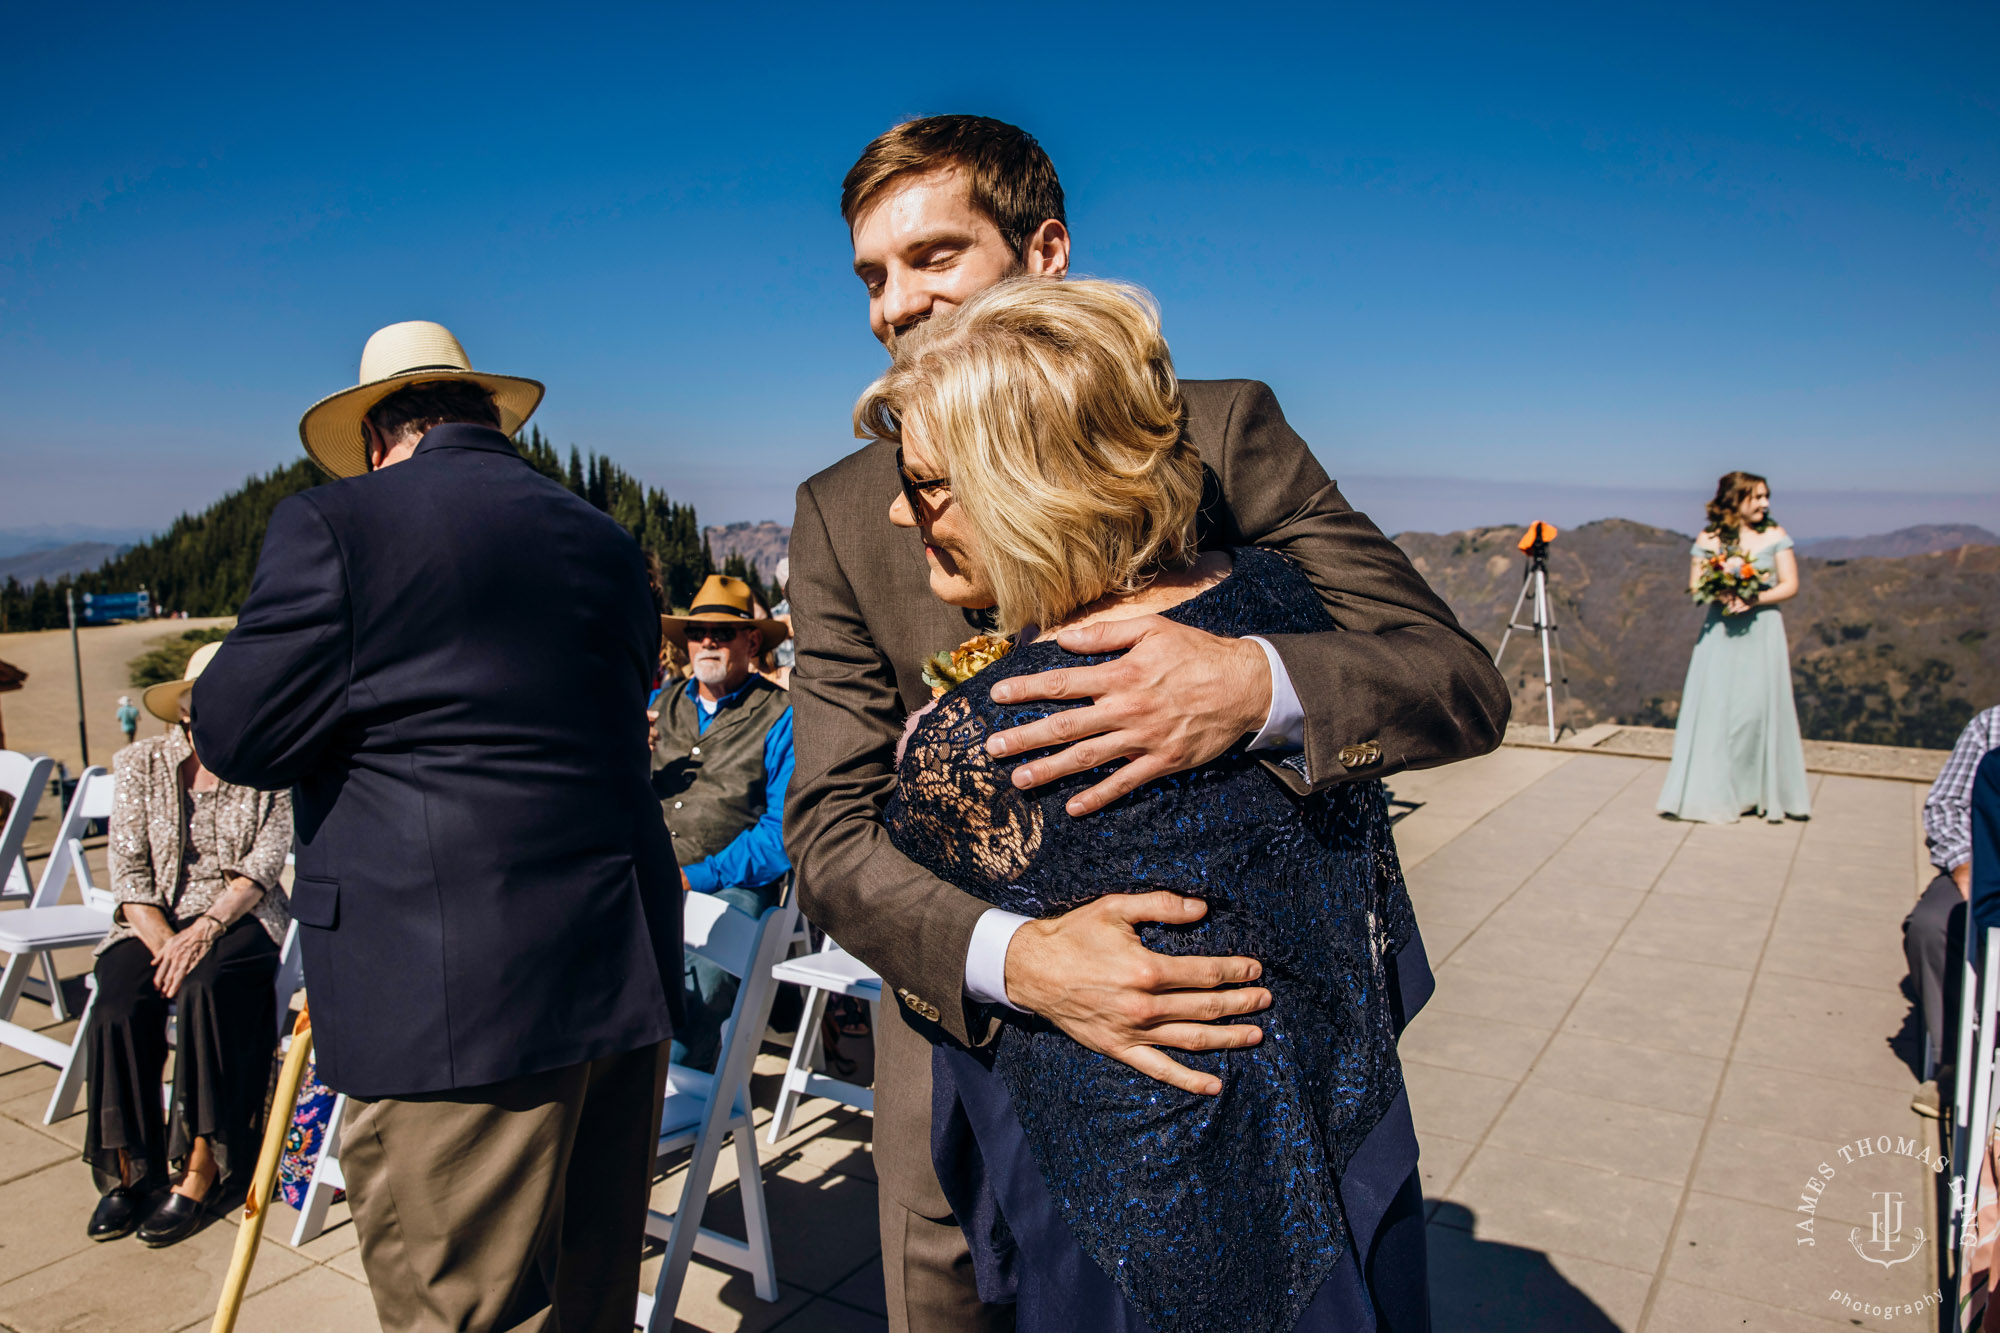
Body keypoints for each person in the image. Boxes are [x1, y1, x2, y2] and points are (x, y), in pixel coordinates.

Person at [786, 114, 1509, 1331]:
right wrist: (1020, 961)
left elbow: (1451, 677)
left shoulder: (1215, 433)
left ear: (1045, 248)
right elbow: (828, 825)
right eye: (871, 275)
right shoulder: (849, 508)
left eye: (934, 257)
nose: (894, 305)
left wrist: (1253, 684)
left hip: (1255, 1057)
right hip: (973, 1044)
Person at [875, 276, 1427, 1330]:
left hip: (1139, 1232)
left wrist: (930, 757)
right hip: (1344, 1141)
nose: (902, 510)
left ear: (1021, 486)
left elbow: (912, 971)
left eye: (928, 483)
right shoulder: (1284, 603)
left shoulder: (981, 744)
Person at [191, 320, 681, 1333]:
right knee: (588, 1303)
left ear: (378, 436)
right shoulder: (606, 540)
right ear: (485, 418)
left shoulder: (338, 526)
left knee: (452, 1306)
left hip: (449, 994)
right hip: (616, 967)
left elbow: (235, 734)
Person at [85, 641, 292, 1247]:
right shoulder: (140, 763)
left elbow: (262, 868)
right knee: (118, 1001)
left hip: (239, 918)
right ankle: (129, 1169)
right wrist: (164, 940)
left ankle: (202, 1166)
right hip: (151, 920)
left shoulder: (269, 766)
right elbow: (127, 872)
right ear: (184, 709)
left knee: (207, 988)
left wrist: (202, 932)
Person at [652, 573, 795, 1070]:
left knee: (706, 973)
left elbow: (780, 834)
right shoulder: (657, 706)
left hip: (728, 879)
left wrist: (697, 877)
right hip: (647, 872)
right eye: (697, 632)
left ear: (752, 641)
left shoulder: (781, 715)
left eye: (723, 632)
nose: (707, 641)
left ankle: (679, 1099)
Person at [1656, 471, 1812, 824]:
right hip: (1721, 630)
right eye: (1756, 497)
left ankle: (1759, 794)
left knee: (1756, 712)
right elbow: (1696, 587)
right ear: (1734, 499)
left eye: (1765, 496)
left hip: (1762, 631)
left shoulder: (1775, 536)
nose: (1765, 504)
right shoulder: (1709, 538)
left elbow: (1791, 585)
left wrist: (1754, 598)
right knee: (1717, 711)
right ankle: (1711, 793)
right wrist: (1721, 591)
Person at [1903, 703, 2000, 1117]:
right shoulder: (1991, 725)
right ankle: (1954, 1061)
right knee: (1931, 926)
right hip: (1986, 865)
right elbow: (1946, 805)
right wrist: (1963, 863)